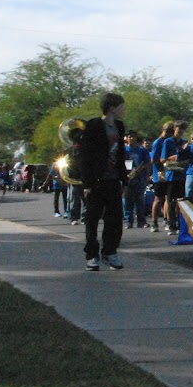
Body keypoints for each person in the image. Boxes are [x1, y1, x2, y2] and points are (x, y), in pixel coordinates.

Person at [79, 93, 130, 270]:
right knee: (92, 219)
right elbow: (85, 156)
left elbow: (121, 153)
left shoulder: (119, 126)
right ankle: (91, 255)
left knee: (114, 219)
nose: (124, 109)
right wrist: (87, 183)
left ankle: (109, 251)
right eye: (121, 106)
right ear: (111, 107)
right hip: (96, 180)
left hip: (113, 179)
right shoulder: (94, 125)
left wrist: (124, 178)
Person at [161, 120, 189, 234]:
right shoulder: (168, 142)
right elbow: (163, 159)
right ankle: (171, 225)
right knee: (171, 201)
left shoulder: (185, 142)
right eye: (179, 129)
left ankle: (181, 225)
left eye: (183, 129)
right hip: (172, 175)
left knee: (182, 202)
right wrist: (175, 157)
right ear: (174, 129)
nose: (181, 131)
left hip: (182, 175)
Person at [122, 130, 151, 229]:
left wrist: (146, 174)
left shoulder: (142, 150)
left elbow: (147, 163)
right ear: (126, 138)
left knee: (140, 200)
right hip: (127, 177)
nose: (131, 138)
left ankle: (141, 221)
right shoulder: (123, 150)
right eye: (129, 137)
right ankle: (128, 221)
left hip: (139, 178)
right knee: (128, 201)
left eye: (133, 136)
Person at [148, 121, 173, 233]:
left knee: (169, 197)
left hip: (169, 173)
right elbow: (153, 160)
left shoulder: (169, 142)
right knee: (158, 198)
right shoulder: (158, 142)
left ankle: (167, 220)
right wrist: (165, 161)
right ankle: (154, 222)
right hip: (159, 174)